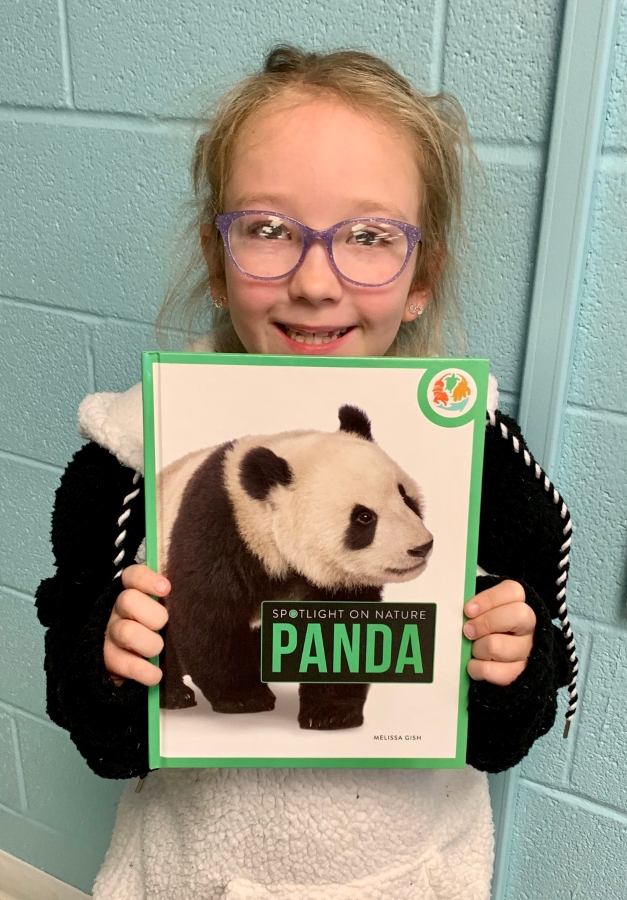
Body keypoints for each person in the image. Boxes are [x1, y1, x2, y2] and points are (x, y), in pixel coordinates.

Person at [36, 45, 576, 900]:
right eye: (267, 228)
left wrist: (517, 664)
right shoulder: (126, 471)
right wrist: (112, 661)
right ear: (217, 262)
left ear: (420, 276)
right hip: (192, 872)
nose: (315, 280)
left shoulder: (487, 465)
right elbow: (104, 742)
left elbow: (504, 738)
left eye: (369, 236)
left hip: (404, 873)